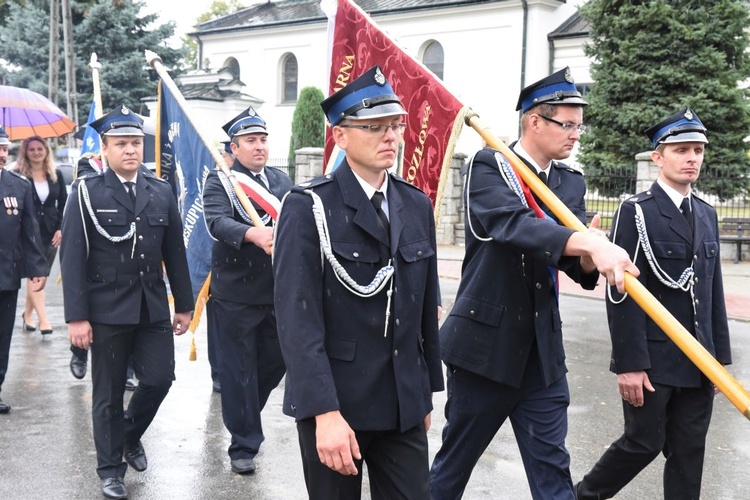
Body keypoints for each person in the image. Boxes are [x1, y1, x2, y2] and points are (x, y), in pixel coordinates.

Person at [430, 67, 638, 500]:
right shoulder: (491, 164)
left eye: (580, 125)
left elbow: (566, 258)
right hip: (484, 349)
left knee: (552, 471)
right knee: (452, 470)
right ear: (534, 121)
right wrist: (583, 241)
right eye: (567, 124)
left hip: (542, 354)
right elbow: (512, 226)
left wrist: (588, 253)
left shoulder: (568, 181)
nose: (576, 135)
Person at [273, 65, 445, 499]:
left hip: (402, 403)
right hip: (337, 403)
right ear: (341, 136)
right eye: (374, 127)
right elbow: (297, 320)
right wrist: (323, 413)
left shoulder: (414, 203)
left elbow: (425, 306)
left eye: (395, 125)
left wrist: (424, 392)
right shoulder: (308, 206)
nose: (390, 137)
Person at [574, 108, 731, 500]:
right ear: (658, 157)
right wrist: (629, 364)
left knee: (689, 453)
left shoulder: (708, 214)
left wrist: (717, 364)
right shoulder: (637, 210)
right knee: (642, 443)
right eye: (681, 150)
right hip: (654, 361)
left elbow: (712, 293)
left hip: (698, 361)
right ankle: (580, 496)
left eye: (697, 150)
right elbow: (619, 289)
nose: (692, 158)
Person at [60, 105, 193, 500]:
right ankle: (110, 470)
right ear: (105, 148)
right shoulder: (86, 192)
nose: (131, 150)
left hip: (151, 306)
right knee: (109, 392)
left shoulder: (160, 191)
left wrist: (184, 304)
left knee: (159, 379)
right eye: (122, 144)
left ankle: (129, 436)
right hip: (105, 310)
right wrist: (77, 318)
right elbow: (72, 256)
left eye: (136, 143)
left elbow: (176, 251)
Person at [202, 106, 291, 474]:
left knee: (275, 363)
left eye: (263, 139)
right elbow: (217, 221)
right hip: (236, 293)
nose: (259, 147)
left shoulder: (281, 181)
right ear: (234, 148)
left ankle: (242, 414)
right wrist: (252, 233)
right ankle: (244, 444)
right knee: (238, 371)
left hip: (277, 291)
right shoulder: (220, 180)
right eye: (251, 141)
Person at [0, 127, 48, 414]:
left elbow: (29, 231)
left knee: (2, 336)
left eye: (4, 148)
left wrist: (37, 268)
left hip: (5, 275)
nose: (1, 154)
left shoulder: (18, 185)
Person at [15, 136, 67, 335]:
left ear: (46, 151)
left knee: (40, 275)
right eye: (32, 150)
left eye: (39, 149)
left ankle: (27, 314)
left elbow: (63, 203)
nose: (36, 153)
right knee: (35, 273)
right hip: (27, 233)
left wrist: (61, 228)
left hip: (51, 232)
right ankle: (44, 320)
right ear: (25, 153)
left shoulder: (56, 175)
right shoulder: (19, 175)